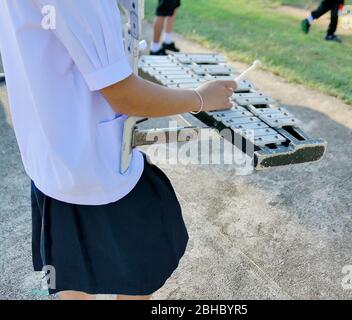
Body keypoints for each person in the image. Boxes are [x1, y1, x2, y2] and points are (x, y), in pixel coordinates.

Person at [0, 0, 236, 300]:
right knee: (140, 278)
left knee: (73, 279)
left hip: (51, 160)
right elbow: (124, 94)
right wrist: (200, 98)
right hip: (99, 169)